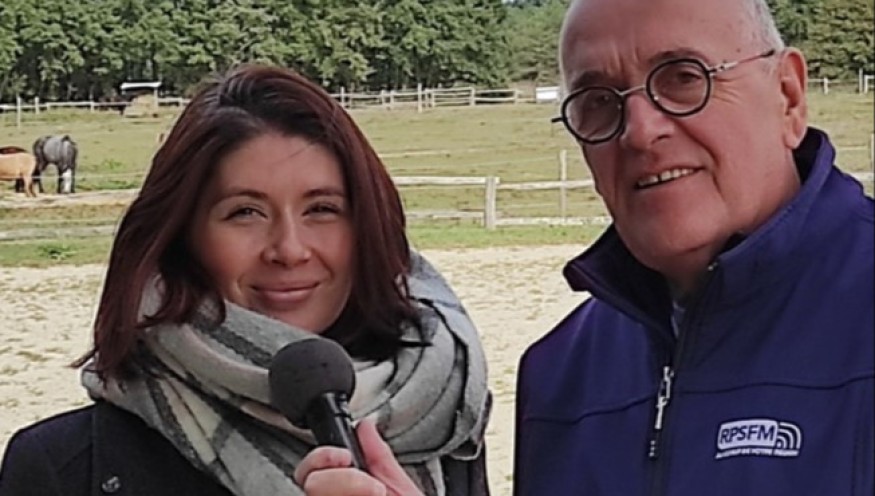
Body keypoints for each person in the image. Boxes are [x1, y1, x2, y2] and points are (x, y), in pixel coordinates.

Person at [291, 0, 874, 494]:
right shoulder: (561, 374)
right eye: (598, 101)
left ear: (788, 97)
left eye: (683, 78)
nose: (640, 131)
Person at [0, 64, 491, 496]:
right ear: (181, 236)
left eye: (322, 209)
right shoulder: (61, 468)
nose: (290, 249)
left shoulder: (442, 419)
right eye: (245, 212)